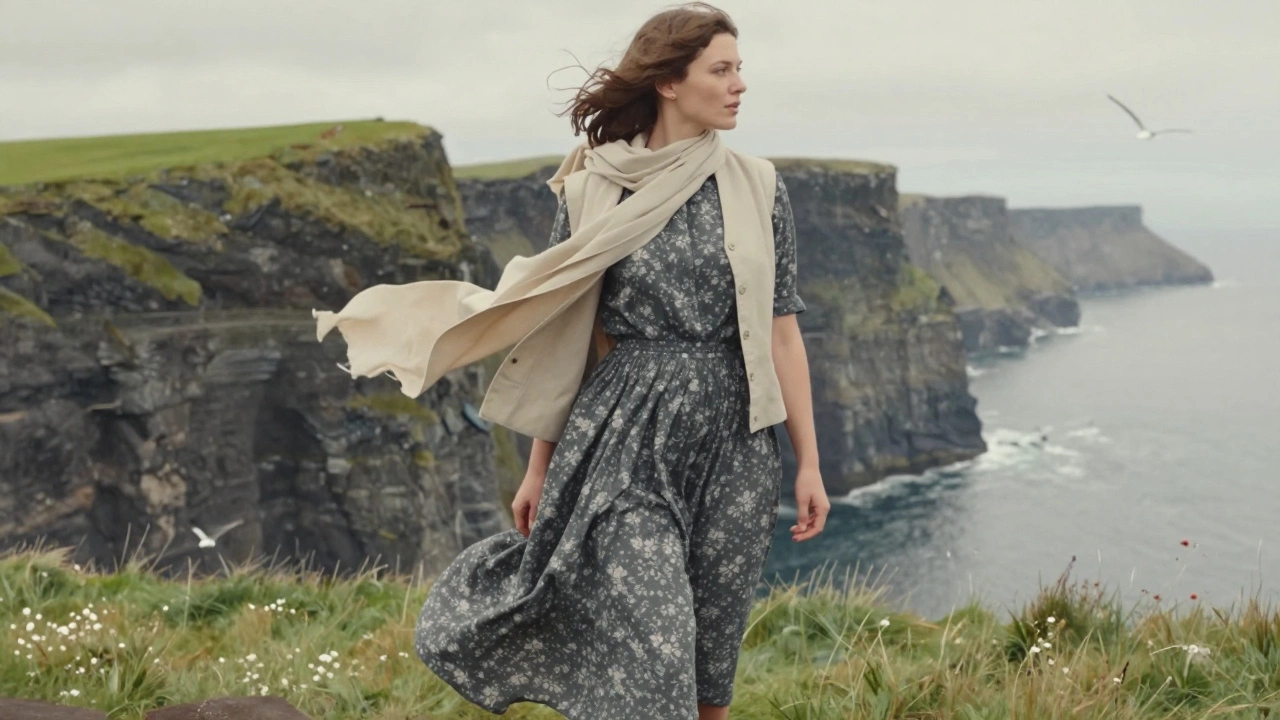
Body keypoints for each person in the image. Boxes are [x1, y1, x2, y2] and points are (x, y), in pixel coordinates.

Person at [412, 3, 829, 718]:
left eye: (739, 69)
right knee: (658, 648)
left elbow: (782, 331)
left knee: (708, 670)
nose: (739, 85)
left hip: (736, 442)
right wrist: (539, 465)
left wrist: (809, 463)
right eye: (721, 70)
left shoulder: (761, 185)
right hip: (626, 437)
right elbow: (563, 334)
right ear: (669, 82)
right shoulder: (593, 187)